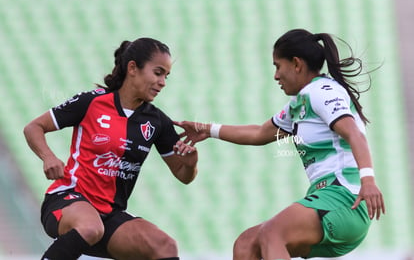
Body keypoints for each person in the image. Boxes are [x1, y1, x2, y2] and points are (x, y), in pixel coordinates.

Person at [174, 29, 385, 260]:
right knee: (246, 244)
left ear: (296, 64)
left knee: (272, 234)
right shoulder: (299, 103)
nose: (275, 76)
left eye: (277, 66)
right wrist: (207, 129)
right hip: (326, 201)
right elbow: (259, 133)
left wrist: (369, 181)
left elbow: (354, 133)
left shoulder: (322, 92)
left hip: (345, 198)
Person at [24, 38, 198, 260]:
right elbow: (33, 127)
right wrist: (48, 157)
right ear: (133, 68)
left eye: (166, 76)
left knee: (165, 246)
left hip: (109, 217)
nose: (163, 82)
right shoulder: (91, 102)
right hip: (67, 199)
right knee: (89, 227)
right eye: (158, 72)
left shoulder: (157, 121)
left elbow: (183, 176)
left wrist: (191, 165)